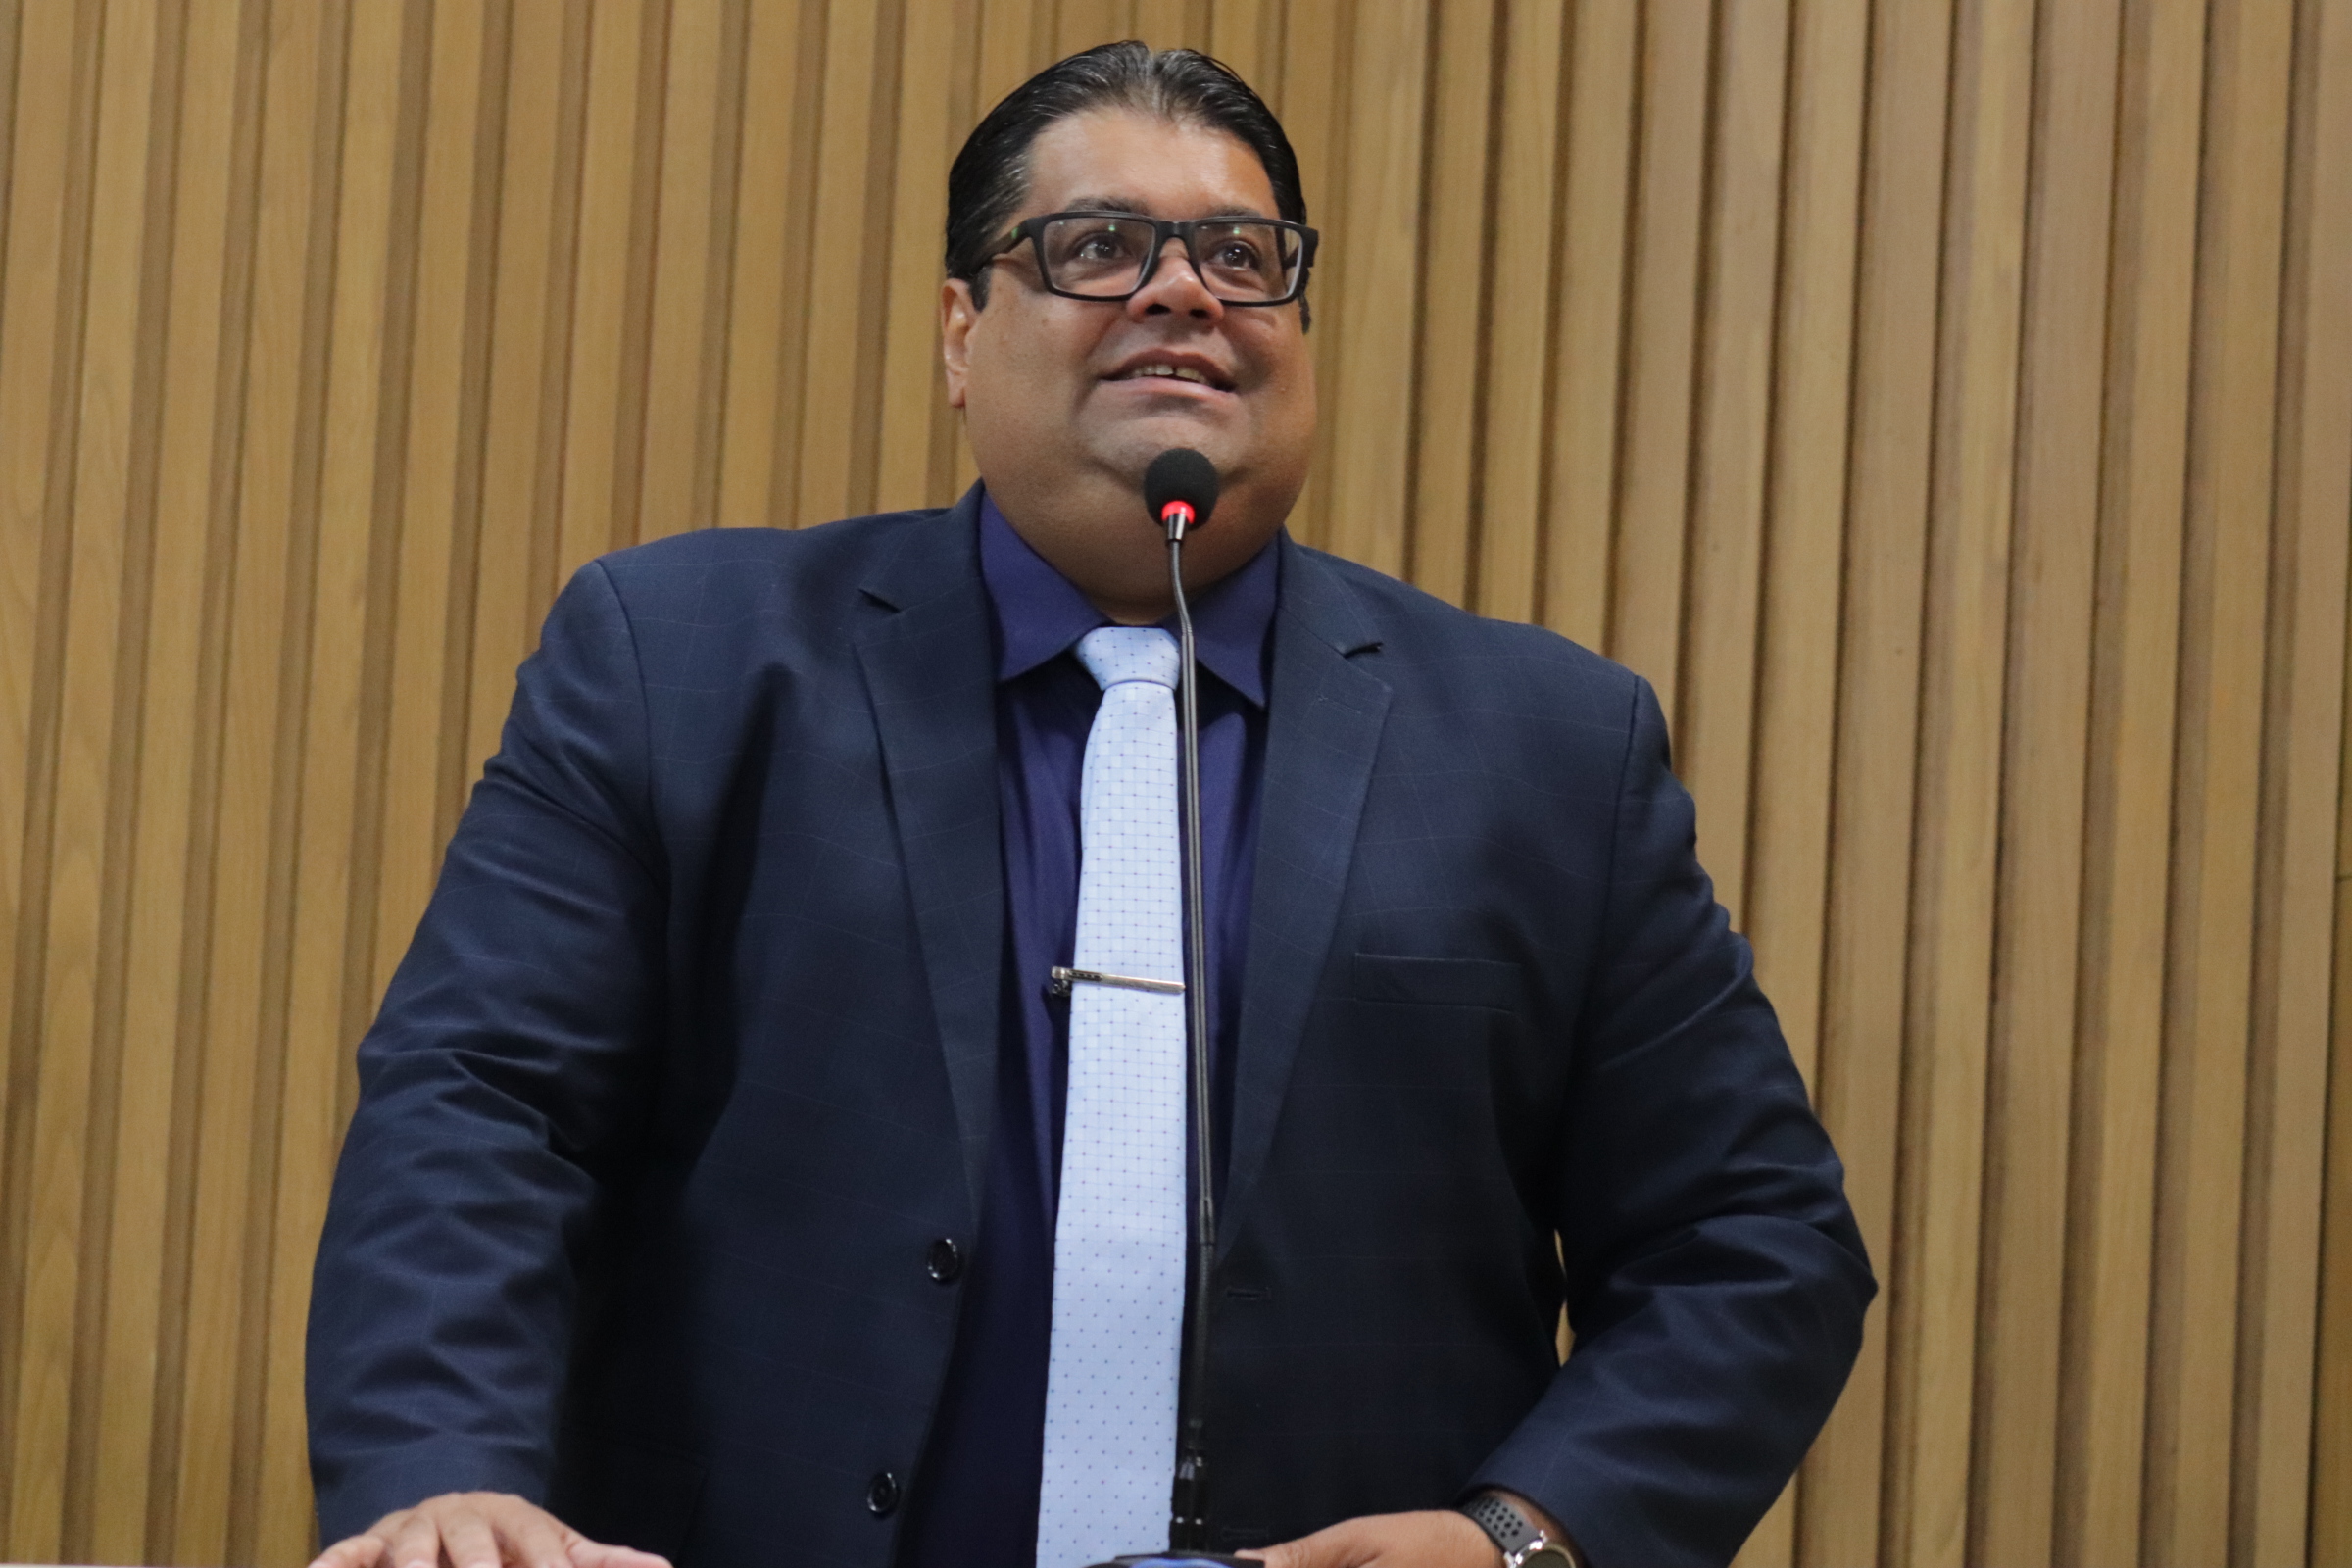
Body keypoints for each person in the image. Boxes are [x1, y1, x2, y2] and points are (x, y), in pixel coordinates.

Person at [306, 42, 1873, 1568]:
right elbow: (482, 1104)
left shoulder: (1545, 748)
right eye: (1099, 246)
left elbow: (1751, 1240)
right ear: (961, 333)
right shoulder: (686, 665)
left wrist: (1524, 1539)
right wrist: (448, 1478)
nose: (1183, 290)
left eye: (1242, 257)